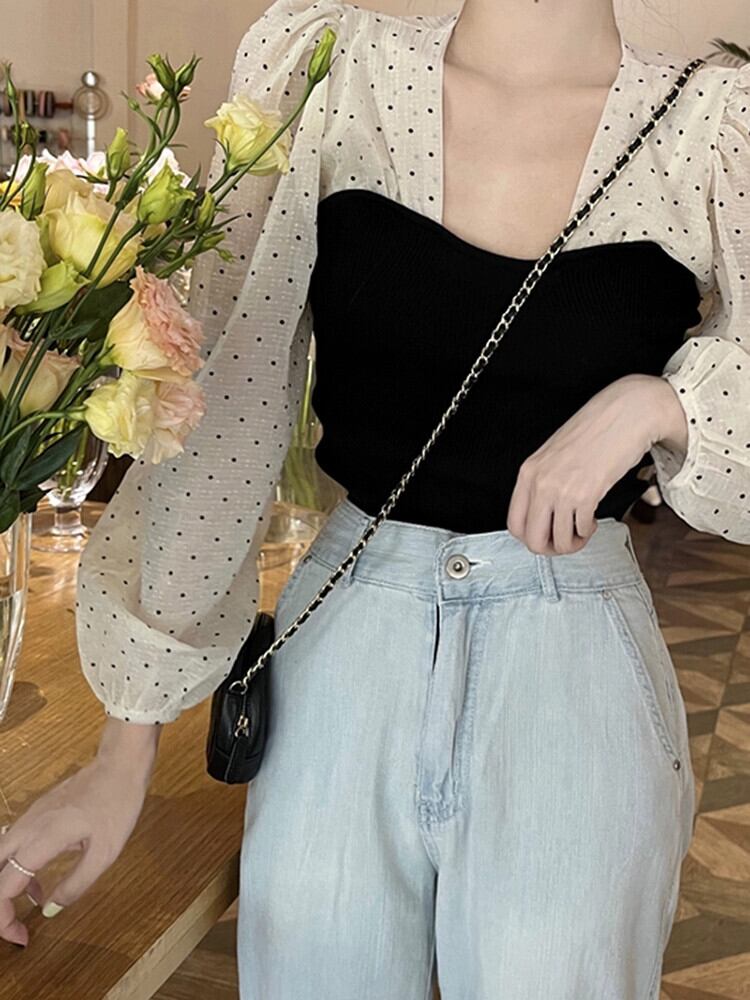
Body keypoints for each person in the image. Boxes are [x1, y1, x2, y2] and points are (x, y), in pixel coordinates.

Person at [1, 0, 749, 995]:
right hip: (347, 647)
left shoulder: (712, 124)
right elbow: (224, 403)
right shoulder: (327, 71)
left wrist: (664, 403)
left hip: (574, 667)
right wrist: (125, 744)